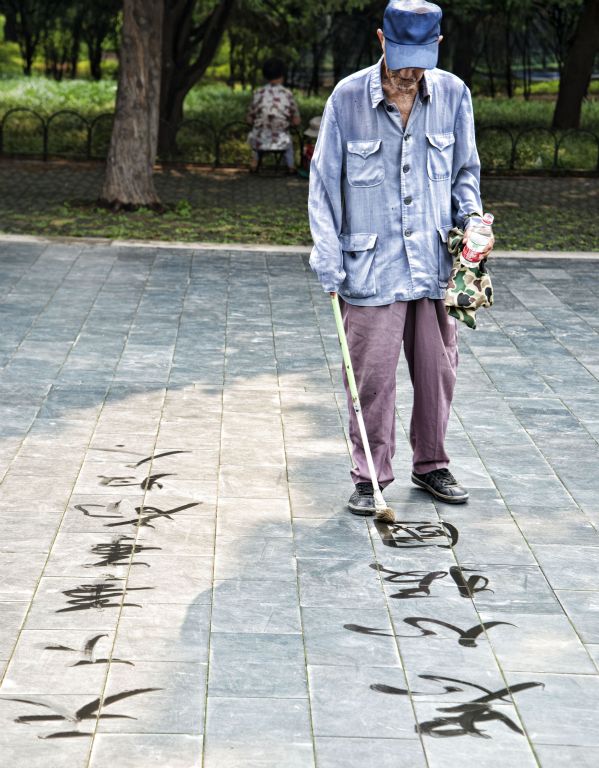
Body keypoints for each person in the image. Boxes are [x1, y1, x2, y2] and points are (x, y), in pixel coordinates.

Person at [308, 0, 494, 514]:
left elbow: (465, 172)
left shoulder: (454, 94)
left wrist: (473, 221)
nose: (409, 73)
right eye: (401, 59)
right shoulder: (347, 99)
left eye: (421, 61)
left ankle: (431, 465)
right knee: (370, 379)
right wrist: (327, 256)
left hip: (434, 264)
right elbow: (323, 186)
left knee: (438, 374)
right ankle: (370, 476)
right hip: (370, 268)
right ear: (381, 41)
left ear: (437, 47)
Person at [246, 57, 301, 174]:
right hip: (281, 141)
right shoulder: (287, 94)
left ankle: (254, 163)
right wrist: (288, 124)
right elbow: (296, 121)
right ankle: (291, 166)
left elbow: (249, 118)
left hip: (260, 141)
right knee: (288, 140)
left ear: (265, 75)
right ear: (282, 75)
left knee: (256, 132)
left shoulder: (258, 93)